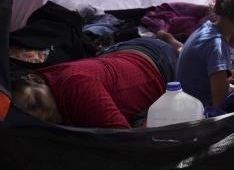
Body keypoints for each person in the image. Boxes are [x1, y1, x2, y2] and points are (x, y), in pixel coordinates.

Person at [11, 38, 179, 129]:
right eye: (29, 117)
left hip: (161, 61)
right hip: (118, 53)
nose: (40, 117)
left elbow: (125, 144)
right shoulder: (43, 84)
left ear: (35, 79)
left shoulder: (77, 87)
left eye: (34, 104)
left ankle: (176, 45)